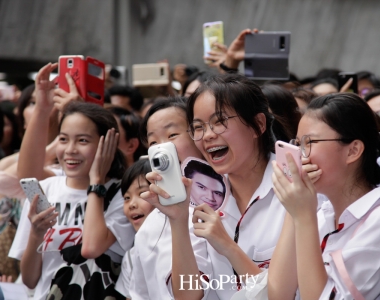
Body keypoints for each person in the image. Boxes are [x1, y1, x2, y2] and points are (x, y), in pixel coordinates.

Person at [144, 74, 286, 299]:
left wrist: (228, 246)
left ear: (258, 124)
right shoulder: (199, 197)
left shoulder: (295, 189)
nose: (207, 136)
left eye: (220, 122)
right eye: (198, 127)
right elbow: (188, 294)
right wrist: (178, 221)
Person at [267, 93, 380, 299]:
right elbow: (278, 294)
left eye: (309, 142)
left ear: (353, 151)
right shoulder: (321, 212)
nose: (300, 154)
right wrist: (294, 211)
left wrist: (303, 216)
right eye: (298, 143)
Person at [9, 100, 134, 300]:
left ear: (107, 144)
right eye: (63, 139)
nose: (70, 150)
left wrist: (97, 183)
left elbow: (92, 248)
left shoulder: (123, 194)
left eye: (83, 140)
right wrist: (36, 234)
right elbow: (30, 279)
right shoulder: (45, 190)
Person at [129, 97, 212, 300]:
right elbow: (139, 294)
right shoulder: (149, 226)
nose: (162, 149)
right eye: (154, 142)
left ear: (198, 134)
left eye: (172, 134)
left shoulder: (229, 203)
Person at [115, 159, 154, 300]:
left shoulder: (187, 242)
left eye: (142, 193)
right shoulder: (131, 257)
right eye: (126, 197)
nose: (132, 204)